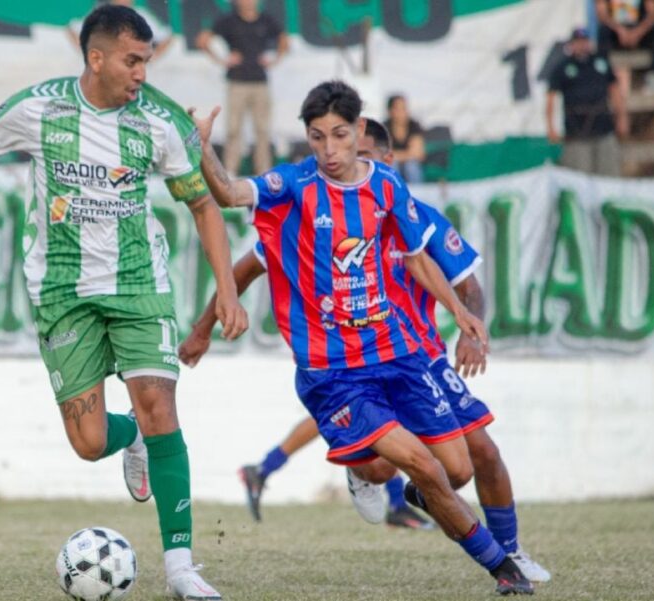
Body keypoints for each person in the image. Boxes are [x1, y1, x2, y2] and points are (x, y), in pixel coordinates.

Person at [0, 7, 247, 600]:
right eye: (132, 60)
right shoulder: (39, 109)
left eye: (147, 61)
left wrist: (228, 288)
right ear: (97, 57)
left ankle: (182, 568)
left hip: (138, 283)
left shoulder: (159, 122)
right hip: (61, 290)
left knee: (159, 403)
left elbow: (203, 206)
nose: (141, 73)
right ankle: (129, 436)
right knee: (88, 442)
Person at [191, 80, 533, 595]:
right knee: (422, 464)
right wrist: (202, 148)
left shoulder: (387, 187)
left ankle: (393, 482)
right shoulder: (295, 188)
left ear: (359, 132)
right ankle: (502, 568)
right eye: (316, 137)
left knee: (456, 470)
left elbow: (417, 256)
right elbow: (230, 193)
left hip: (397, 355)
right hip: (334, 372)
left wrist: (458, 311)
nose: (328, 150)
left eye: (339, 135)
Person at [195, 119, 432, 530]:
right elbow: (246, 266)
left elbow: (438, 269)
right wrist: (203, 327)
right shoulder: (305, 219)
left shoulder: (398, 210)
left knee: (420, 442)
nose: (353, 166)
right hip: (328, 352)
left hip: (391, 342)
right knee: (365, 426)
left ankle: (276, 468)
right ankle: (376, 484)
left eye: (365, 158)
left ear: (386, 162)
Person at [196, 0, 288, 176]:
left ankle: (264, 171)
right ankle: (230, 170)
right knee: (233, 129)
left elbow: (284, 40)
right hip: (237, 81)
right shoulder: (229, 20)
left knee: (262, 130)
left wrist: (275, 60)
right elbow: (202, 40)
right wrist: (222, 60)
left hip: (259, 82)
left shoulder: (266, 20)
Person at [546, 27, 628, 177]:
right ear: (571, 45)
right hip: (576, 129)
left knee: (609, 174)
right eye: (578, 42)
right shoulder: (563, 67)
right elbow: (551, 98)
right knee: (581, 176)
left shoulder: (600, 62)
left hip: (603, 125)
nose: (582, 45)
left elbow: (615, 90)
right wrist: (551, 127)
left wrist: (622, 117)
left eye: (584, 41)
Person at [595, 0, 654, 93]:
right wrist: (620, 30)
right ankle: (603, 75)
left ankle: (653, 74)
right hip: (616, 35)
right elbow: (602, 14)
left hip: (641, 34)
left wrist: (638, 32)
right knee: (603, 31)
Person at [68, 1, 173, 58]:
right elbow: (72, 29)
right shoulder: (99, 14)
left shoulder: (142, 15)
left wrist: (151, 59)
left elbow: (167, 37)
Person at [384, 94, 426, 183]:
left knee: (411, 165)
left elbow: (418, 153)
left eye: (404, 108)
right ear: (390, 111)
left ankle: (415, 194)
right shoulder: (384, 127)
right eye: (398, 108)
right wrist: (408, 154)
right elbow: (384, 155)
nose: (403, 112)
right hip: (393, 164)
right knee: (392, 165)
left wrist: (396, 155)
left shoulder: (414, 125)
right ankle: (394, 194)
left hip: (411, 165)